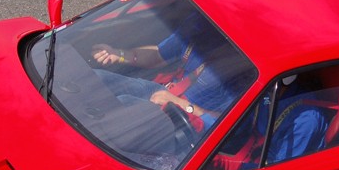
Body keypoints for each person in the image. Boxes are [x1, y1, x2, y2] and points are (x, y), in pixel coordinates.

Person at [91, 13, 238, 131]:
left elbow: (229, 124)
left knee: (125, 103)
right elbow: (157, 55)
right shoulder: (200, 24)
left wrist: (178, 103)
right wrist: (119, 55)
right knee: (96, 79)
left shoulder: (243, 69)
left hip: (189, 121)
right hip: (166, 92)